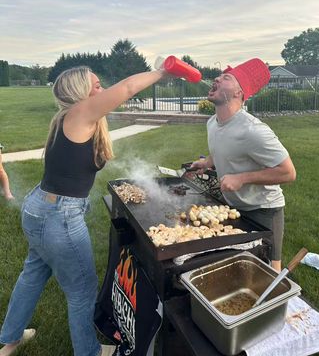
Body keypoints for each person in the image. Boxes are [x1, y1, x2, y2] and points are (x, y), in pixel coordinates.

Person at [0, 66, 169, 356]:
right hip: (59, 216)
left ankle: (10, 339)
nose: (103, 89)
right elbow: (127, 88)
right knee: (81, 291)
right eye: (97, 85)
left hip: (40, 208)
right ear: (81, 91)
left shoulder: (68, 118)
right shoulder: (80, 113)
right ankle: (88, 352)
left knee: (33, 273)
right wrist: (163, 71)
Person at [191, 58, 296, 272]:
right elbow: (222, 149)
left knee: (267, 266)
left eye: (226, 77)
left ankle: (272, 302)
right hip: (234, 205)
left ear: (239, 93)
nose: (218, 78)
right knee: (238, 264)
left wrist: (242, 178)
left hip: (264, 209)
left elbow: (288, 172)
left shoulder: (253, 130)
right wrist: (207, 162)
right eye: (219, 76)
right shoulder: (212, 122)